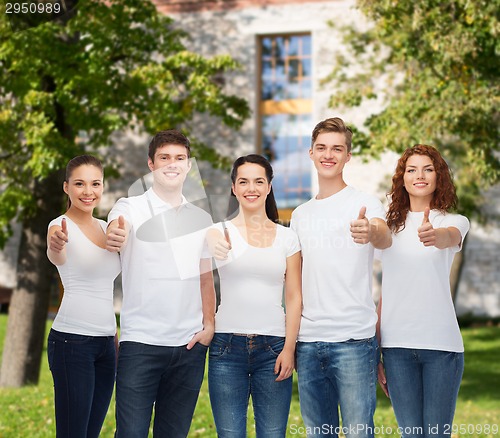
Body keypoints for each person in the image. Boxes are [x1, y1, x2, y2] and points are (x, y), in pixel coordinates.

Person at [105, 129, 215, 437]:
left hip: (189, 347)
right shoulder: (130, 207)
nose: (172, 164)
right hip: (140, 343)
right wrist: (114, 233)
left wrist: (209, 326)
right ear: (151, 164)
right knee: (130, 433)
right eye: (164, 157)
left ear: (189, 165)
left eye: (180, 158)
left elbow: (205, 277)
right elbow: (116, 229)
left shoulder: (201, 218)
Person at [290, 117, 392, 437]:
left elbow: (385, 237)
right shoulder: (300, 215)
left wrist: (370, 230)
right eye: (321, 147)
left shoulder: (364, 203)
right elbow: (294, 282)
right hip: (308, 343)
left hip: (353, 341)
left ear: (348, 156)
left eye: (337, 148)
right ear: (311, 153)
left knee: (360, 432)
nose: (328, 154)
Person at [377, 144, 470, 438]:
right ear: (402, 178)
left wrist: (435, 236)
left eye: (428, 169)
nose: (420, 175)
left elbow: (448, 238)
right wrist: (376, 350)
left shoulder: (453, 222)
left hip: (442, 348)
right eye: (412, 169)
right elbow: (386, 291)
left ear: (438, 176)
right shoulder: (388, 230)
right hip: (396, 349)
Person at [206, 154, 302, 437]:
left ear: (269, 186)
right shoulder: (217, 232)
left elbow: (294, 297)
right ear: (234, 187)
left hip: (273, 349)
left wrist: (289, 348)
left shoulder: (287, 237)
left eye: (259, 181)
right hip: (226, 348)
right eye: (244, 181)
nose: (251, 188)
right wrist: (207, 237)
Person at [46, 155, 121, 438]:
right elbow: (56, 251)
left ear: (103, 187)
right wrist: (56, 244)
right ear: (66, 187)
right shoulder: (59, 226)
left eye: (95, 184)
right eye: (79, 184)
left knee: (92, 432)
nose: (88, 191)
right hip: (72, 342)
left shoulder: (106, 227)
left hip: (107, 344)